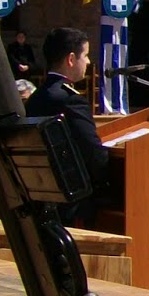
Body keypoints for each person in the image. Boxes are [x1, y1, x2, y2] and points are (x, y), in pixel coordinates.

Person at [26, 26, 110, 227]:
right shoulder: (70, 100)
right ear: (71, 59)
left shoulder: (35, 98)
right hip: (72, 205)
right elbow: (94, 154)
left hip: (42, 196)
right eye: (86, 55)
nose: (88, 62)